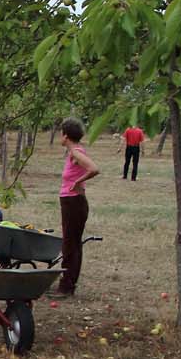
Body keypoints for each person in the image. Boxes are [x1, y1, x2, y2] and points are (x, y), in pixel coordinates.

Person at [58, 117, 99, 297]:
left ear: (66, 135)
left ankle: (66, 285)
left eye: (61, 133)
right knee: (73, 243)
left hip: (73, 202)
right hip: (73, 202)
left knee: (70, 244)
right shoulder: (74, 152)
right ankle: (68, 283)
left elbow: (94, 168)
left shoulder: (75, 152)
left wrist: (77, 182)